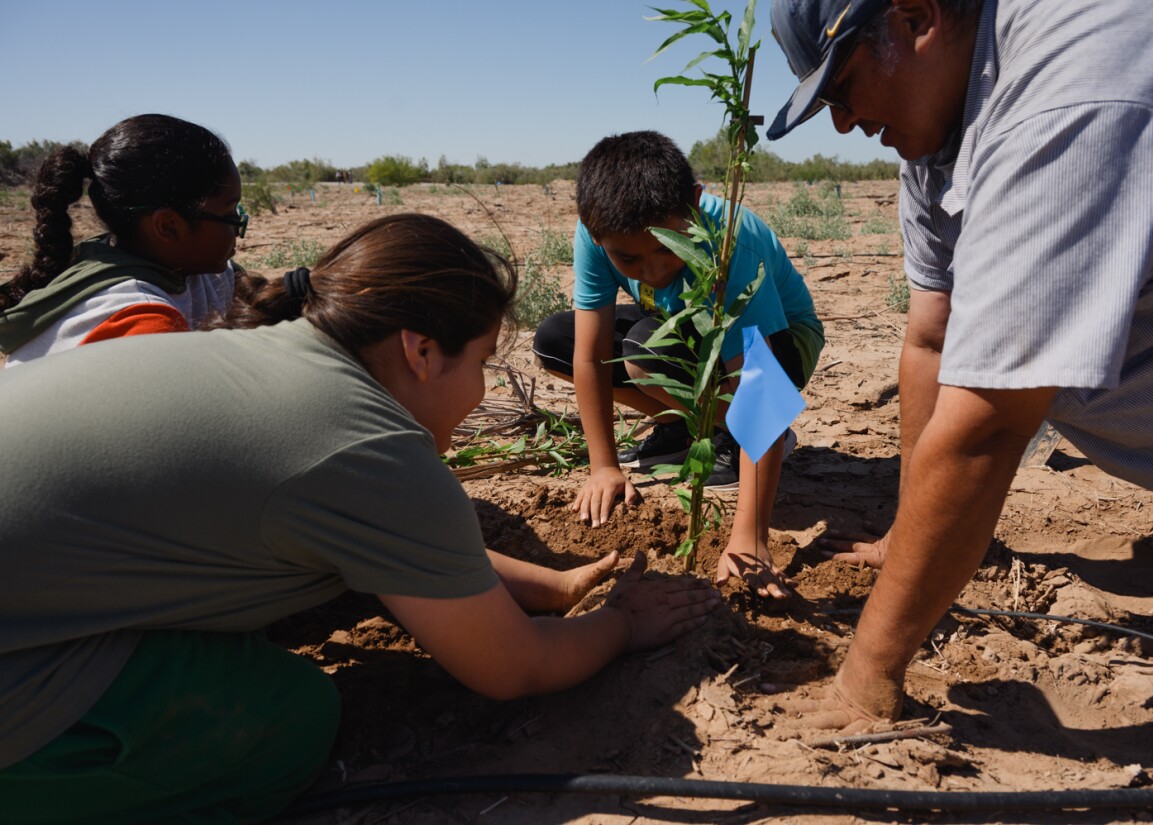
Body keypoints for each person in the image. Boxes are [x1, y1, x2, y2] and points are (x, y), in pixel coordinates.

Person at [0, 213, 722, 823]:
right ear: (421, 349)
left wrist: (552, 588)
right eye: (481, 361)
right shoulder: (364, 442)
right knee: (290, 718)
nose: (478, 387)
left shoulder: (275, 356)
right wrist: (622, 622)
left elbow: (381, 542)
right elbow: (516, 666)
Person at [766, 0, 1153, 727]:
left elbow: (986, 423)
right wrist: (905, 535)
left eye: (841, 87)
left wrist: (865, 678)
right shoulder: (939, 128)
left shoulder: (1068, 103)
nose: (842, 121)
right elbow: (933, 336)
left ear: (915, 17)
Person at [532, 131, 825, 598]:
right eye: (628, 258)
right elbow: (587, 354)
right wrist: (603, 466)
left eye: (669, 248)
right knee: (556, 342)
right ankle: (688, 425)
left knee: (647, 351)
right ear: (592, 229)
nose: (652, 270)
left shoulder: (731, 244)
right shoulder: (598, 231)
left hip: (778, 340)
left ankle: (738, 436)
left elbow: (762, 381)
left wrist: (749, 538)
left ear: (694, 203)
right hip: (680, 325)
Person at [0, 114, 244, 367]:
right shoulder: (139, 323)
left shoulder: (190, 269)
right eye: (229, 214)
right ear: (168, 227)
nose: (239, 227)